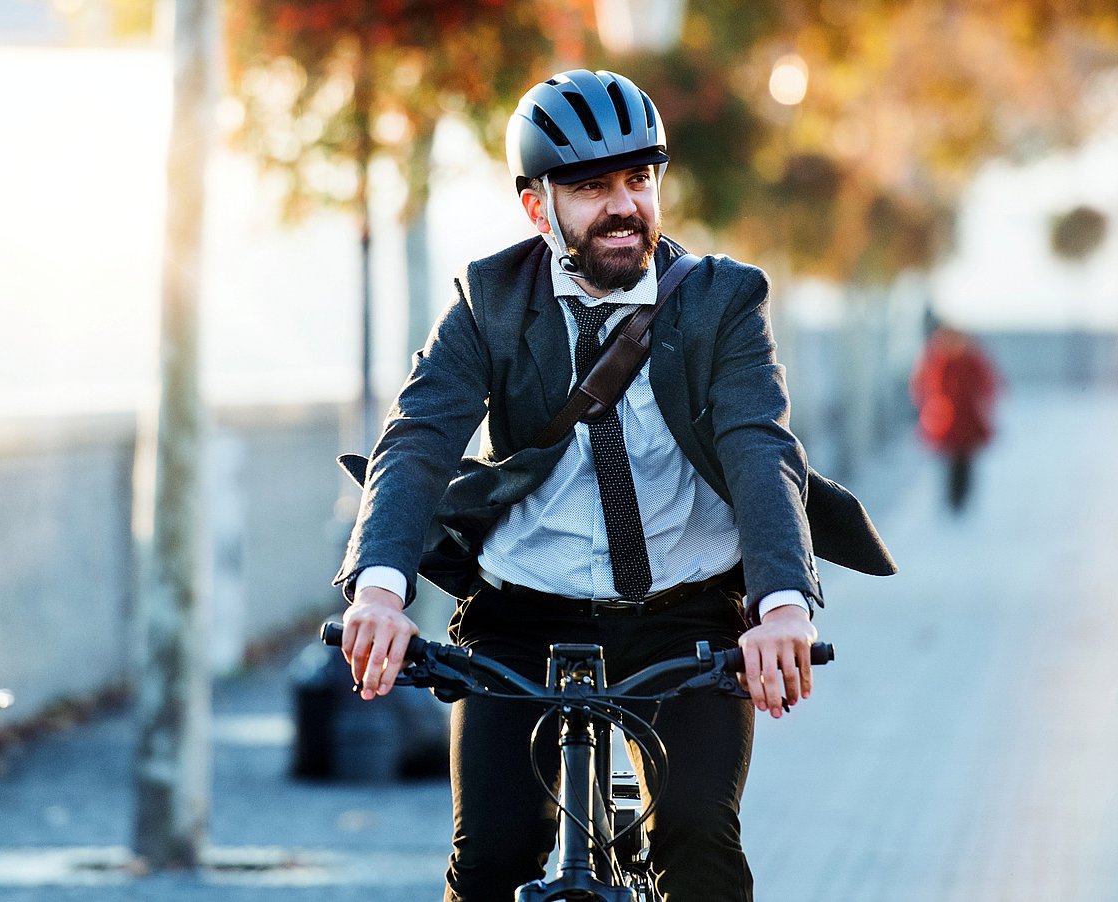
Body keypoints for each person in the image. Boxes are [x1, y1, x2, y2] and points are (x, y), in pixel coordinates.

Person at [330, 69, 895, 902]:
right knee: (489, 860)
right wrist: (379, 593)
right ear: (538, 206)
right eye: (593, 187)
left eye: (639, 179)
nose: (624, 205)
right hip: (521, 614)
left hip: (685, 612)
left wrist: (780, 609)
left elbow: (759, 447)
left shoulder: (719, 301)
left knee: (700, 846)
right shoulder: (490, 300)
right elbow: (417, 440)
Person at [909, 324, 1000, 513]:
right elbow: (922, 386)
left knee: (965, 462)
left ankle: (961, 499)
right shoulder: (937, 361)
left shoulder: (970, 360)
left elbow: (987, 386)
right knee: (949, 463)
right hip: (944, 420)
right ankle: (952, 500)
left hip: (966, 421)